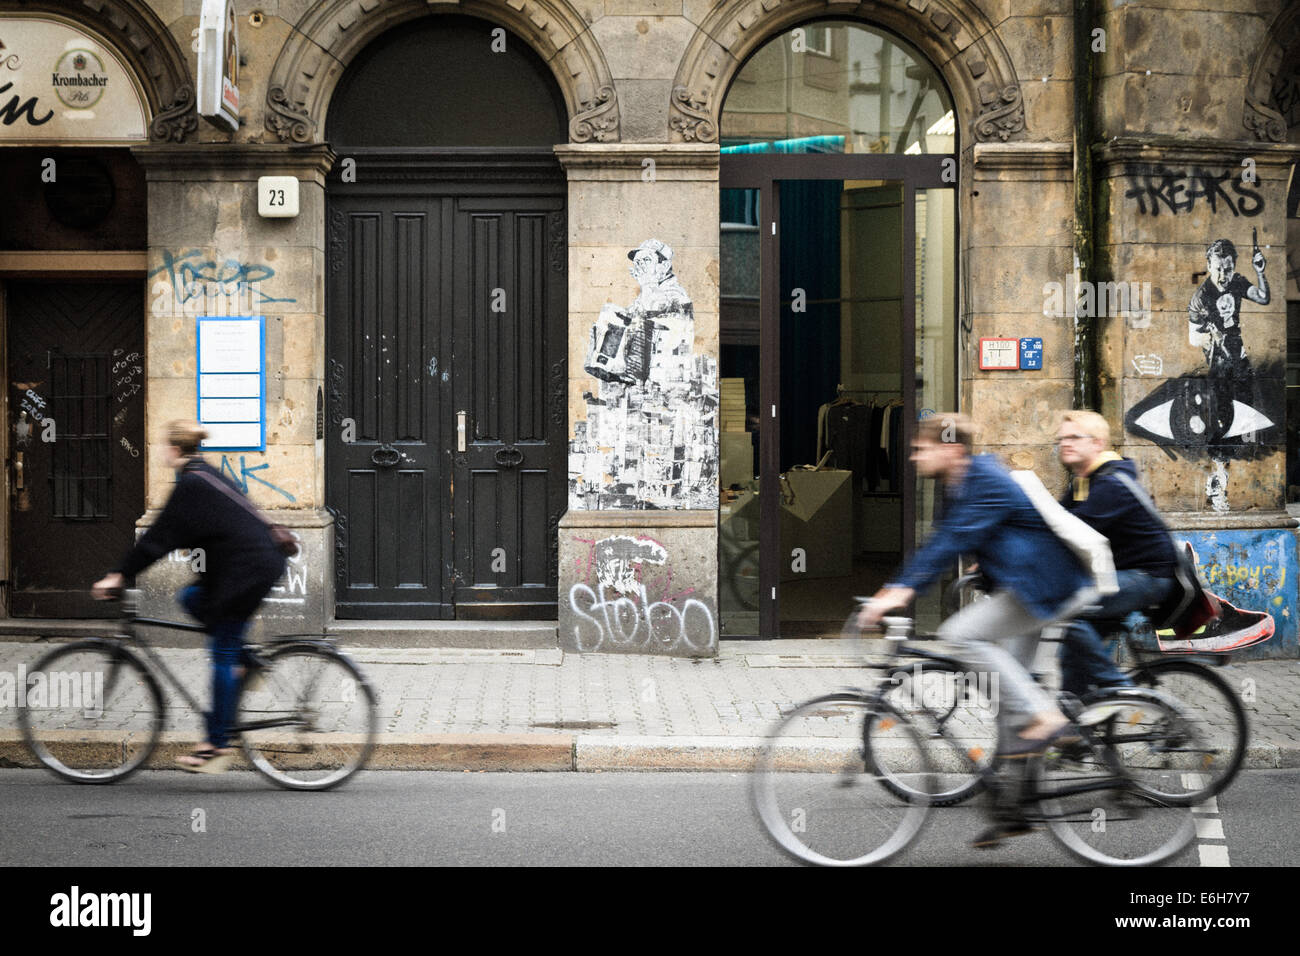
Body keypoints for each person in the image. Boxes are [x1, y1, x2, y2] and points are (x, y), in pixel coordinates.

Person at [858, 414, 1100, 846]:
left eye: (920, 449)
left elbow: (947, 541)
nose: (913, 457)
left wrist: (895, 592)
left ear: (950, 448)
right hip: (1025, 587)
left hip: (1045, 588)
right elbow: (960, 535)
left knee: (959, 634)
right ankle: (1016, 810)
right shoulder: (958, 482)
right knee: (1008, 695)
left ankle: (1048, 718)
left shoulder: (982, 477)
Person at [92, 421, 287, 773]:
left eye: (163, 446)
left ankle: (216, 744)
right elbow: (179, 534)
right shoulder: (200, 476)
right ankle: (250, 661)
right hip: (246, 568)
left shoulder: (193, 485)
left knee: (222, 653)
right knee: (191, 598)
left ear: (173, 449)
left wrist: (119, 575)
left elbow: (157, 538)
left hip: (249, 572)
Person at [1055, 411, 1178, 697]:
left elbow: (1072, 534)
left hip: (1148, 576)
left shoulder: (1111, 485)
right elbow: (1052, 523)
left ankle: (1121, 689)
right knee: (1072, 657)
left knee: (1068, 608)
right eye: (1061, 438)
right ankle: (1077, 731)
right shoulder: (1084, 482)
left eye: (1074, 437)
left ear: (1098, 444)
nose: (1065, 443)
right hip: (1124, 573)